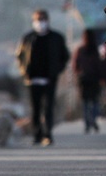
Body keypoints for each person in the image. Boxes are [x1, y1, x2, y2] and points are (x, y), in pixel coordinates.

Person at [16, 10, 69, 145]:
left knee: (48, 108)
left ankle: (48, 134)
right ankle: (37, 135)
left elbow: (65, 56)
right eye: (38, 19)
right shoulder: (27, 38)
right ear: (33, 21)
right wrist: (24, 72)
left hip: (50, 79)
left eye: (43, 19)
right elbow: (20, 56)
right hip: (32, 79)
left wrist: (57, 71)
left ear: (48, 20)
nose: (40, 22)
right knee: (35, 109)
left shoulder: (57, 37)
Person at [73, 27, 105, 133]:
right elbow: (100, 65)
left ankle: (87, 123)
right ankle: (94, 120)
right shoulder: (95, 50)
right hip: (94, 79)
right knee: (95, 101)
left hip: (83, 79)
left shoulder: (80, 50)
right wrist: (102, 77)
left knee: (85, 102)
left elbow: (75, 65)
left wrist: (78, 74)